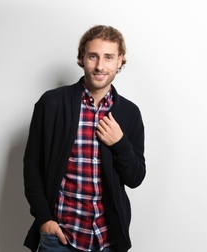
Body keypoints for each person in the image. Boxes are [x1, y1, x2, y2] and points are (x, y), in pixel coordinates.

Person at [23, 25, 146, 252]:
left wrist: (119, 143)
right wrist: (44, 220)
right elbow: (32, 166)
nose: (100, 66)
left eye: (109, 57)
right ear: (82, 58)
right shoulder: (51, 104)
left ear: (120, 61)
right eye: (93, 56)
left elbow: (136, 178)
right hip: (60, 237)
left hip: (107, 240)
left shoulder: (129, 113)